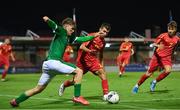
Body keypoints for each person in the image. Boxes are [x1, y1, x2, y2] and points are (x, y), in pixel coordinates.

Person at [10, 16, 101, 107]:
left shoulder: (68, 37)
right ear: (66, 26)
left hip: (47, 65)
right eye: (72, 28)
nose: (73, 30)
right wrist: (48, 20)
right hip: (54, 62)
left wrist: (93, 36)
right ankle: (77, 96)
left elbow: (81, 39)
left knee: (38, 89)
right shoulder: (62, 31)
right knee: (79, 71)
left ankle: (16, 101)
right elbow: (55, 26)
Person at [58, 23, 111, 101]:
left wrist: (102, 65)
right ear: (100, 29)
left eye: (106, 32)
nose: (105, 33)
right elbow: (82, 47)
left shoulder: (103, 42)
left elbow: (101, 55)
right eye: (104, 31)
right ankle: (64, 85)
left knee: (103, 73)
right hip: (82, 61)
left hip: (93, 62)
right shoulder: (91, 36)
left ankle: (106, 95)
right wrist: (90, 51)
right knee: (74, 81)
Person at [132, 20, 180, 93]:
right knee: (148, 74)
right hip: (157, 57)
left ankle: (154, 82)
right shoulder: (163, 35)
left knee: (168, 70)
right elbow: (154, 44)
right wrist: (158, 45)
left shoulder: (177, 39)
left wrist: (172, 54)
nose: (170, 30)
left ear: (175, 29)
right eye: (169, 28)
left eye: (172, 29)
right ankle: (137, 86)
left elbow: (175, 47)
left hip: (166, 58)